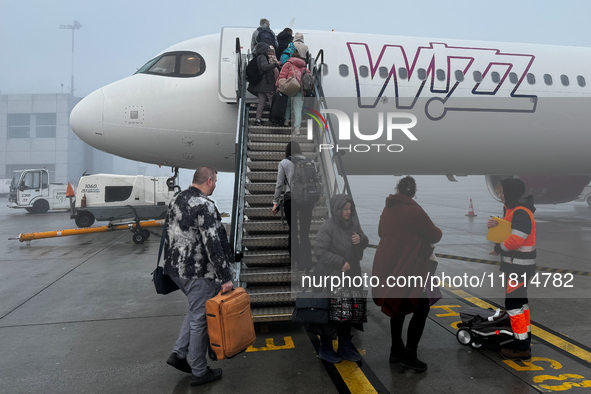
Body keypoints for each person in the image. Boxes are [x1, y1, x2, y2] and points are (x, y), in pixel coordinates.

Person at [163, 166, 234, 386]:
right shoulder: (205, 206)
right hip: (197, 273)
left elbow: (168, 233)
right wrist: (225, 277)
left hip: (176, 271)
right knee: (200, 321)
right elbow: (212, 245)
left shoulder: (177, 198)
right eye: (216, 182)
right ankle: (200, 371)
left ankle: (179, 354)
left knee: (196, 311)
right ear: (210, 180)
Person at [372, 176, 442, 372]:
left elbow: (380, 232)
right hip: (411, 267)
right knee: (421, 308)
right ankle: (410, 354)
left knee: (397, 306)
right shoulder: (415, 211)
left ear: (398, 189)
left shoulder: (388, 208)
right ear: (413, 192)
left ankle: (396, 349)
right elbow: (435, 234)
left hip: (389, 264)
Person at [312, 194, 369, 363]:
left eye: (350, 209)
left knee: (349, 313)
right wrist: (340, 262)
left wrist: (362, 240)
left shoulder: (353, 225)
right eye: (345, 209)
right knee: (332, 314)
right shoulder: (328, 227)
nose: (348, 212)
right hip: (332, 276)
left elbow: (364, 240)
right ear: (337, 210)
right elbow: (319, 251)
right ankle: (326, 348)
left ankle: (345, 347)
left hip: (352, 276)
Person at [487, 179, 536, 362]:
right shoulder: (513, 210)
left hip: (519, 268)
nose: (500, 195)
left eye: (502, 192)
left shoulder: (520, 212)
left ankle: (521, 348)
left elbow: (516, 239)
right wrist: (495, 227)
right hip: (517, 267)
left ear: (511, 193)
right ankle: (524, 340)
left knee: (513, 307)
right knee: (521, 305)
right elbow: (508, 232)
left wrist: (498, 248)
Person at [272, 141, 314, 271]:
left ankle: (294, 261)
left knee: (293, 230)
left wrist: (275, 201)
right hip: (307, 201)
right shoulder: (310, 162)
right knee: (305, 233)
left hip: (291, 200)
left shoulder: (284, 163)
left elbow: (279, 184)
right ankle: (306, 264)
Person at [278, 52, 310, 132]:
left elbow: (282, 76)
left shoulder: (288, 64)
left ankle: (286, 121)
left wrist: (278, 86)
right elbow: (309, 78)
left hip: (290, 87)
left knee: (288, 105)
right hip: (300, 89)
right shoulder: (304, 67)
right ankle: (297, 128)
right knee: (298, 109)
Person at [249, 42, 279, 126]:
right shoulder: (262, 57)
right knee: (272, 101)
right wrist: (276, 64)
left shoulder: (256, 57)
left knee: (261, 102)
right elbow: (265, 67)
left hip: (259, 85)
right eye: (266, 49)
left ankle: (258, 120)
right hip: (266, 84)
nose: (267, 51)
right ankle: (274, 119)